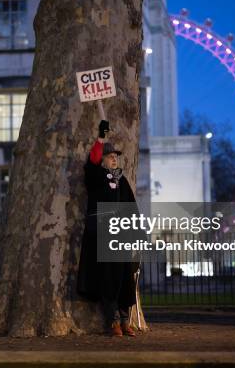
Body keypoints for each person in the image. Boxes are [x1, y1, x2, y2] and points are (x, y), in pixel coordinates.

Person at [77, 119, 140, 337]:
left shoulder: (122, 181)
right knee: (107, 279)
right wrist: (101, 138)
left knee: (124, 280)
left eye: (115, 157)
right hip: (103, 237)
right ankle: (113, 320)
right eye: (110, 157)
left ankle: (125, 320)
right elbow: (91, 163)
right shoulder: (96, 177)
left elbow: (132, 208)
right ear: (103, 161)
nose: (114, 160)